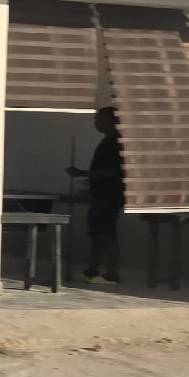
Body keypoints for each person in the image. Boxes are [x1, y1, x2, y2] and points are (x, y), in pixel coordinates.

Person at [83, 105, 125, 284]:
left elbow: (112, 170)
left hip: (109, 196)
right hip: (101, 194)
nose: (95, 122)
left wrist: (84, 174)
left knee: (106, 233)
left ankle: (112, 272)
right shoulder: (108, 141)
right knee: (97, 233)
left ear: (110, 120)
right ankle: (93, 270)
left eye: (99, 118)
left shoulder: (115, 143)